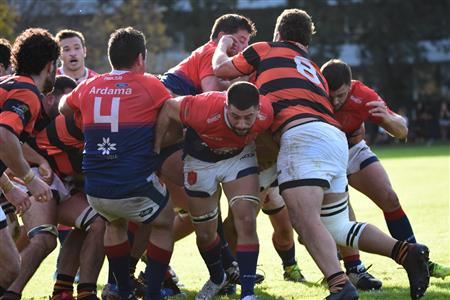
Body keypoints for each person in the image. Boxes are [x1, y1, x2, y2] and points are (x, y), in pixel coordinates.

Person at [212, 8, 431, 299]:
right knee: (338, 225)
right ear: (307, 43)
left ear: (278, 34)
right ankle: (405, 251)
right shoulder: (314, 68)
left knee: (303, 219)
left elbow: (222, 69)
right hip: (334, 138)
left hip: (301, 136)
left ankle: (339, 285)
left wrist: (222, 46)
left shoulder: (266, 48)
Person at [59, 27, 175, 300]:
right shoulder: (149, 84)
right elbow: (173, 110)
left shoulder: (88, 85)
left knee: (115, 223)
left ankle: (121, 290)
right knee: (165, 219)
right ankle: (153, 292)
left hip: (96, 189)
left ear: (110, 58)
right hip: (133, 184)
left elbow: (64, 106)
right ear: (141, 57)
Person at [321, 58, 450, 280]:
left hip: (353, 149)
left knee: (389, 198)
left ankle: (419, 261)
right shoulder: (314, 92)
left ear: (351, 86)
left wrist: (389, 119)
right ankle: (354, 270)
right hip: (324, 157)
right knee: (343, 212)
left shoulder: (363, 95)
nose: (334, 101)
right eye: (330, 95)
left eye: (340, 95)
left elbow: (402, 131)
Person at [154, 82, 273, 300]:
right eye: (236, 116)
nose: (242, 123)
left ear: (258, 110)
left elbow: (269, 138)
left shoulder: (267, 112)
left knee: (246, 219)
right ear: (226, 106)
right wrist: (155, 150)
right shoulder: (203, 107)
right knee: (205, 234)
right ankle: (218, 277)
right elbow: (169, 106)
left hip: (238, 158)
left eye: (249, 117)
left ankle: (247, 293)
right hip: (200, 162)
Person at [0, 27, 58, 298]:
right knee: (9, 267)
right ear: (51, 65)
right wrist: (29, 178)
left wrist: (8, 187)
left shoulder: (8, 86)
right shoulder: (27, 93)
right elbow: (2, 134)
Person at [160, 13, 256, 96]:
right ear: (223, 37)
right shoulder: (212, 52)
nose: (245, 47)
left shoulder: (215, 53)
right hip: (170, 88)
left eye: (247, 43)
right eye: (241, 40)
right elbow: (212, 92)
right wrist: (242, 80)